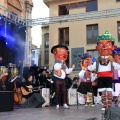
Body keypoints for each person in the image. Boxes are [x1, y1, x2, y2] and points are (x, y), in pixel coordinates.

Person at [87, 30, 120, 110]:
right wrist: (89, 64)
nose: (104, 46)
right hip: (101, 77)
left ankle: (109, 106)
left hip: (108, 77)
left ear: (112, 47)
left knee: (109, 92)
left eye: (107, 44)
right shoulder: (98, 60)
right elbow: (91, 68)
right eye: (101, 44)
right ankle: (105, 106)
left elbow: (117, 67)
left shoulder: (111, 60)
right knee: (103, 93)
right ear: (97, 48)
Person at [51, 43, 75, 109]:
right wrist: (62, 63)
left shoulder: (64, 64)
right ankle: (57, 104)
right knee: (57, 92)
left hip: (63, 80)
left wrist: (72, 68)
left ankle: (64, 103)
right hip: (57, 79)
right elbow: (56, 68)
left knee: (64, 91)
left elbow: (67, 71)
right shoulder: (57, 63)